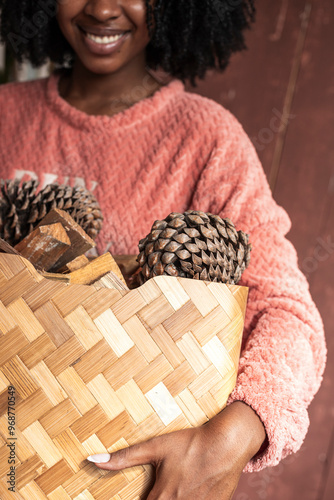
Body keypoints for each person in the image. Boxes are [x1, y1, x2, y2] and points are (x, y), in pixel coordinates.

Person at [0, 1, 326, 499]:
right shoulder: (5, 114)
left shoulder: (207, 139)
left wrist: (229, 440)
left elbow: (286, 313)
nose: (103, 7)